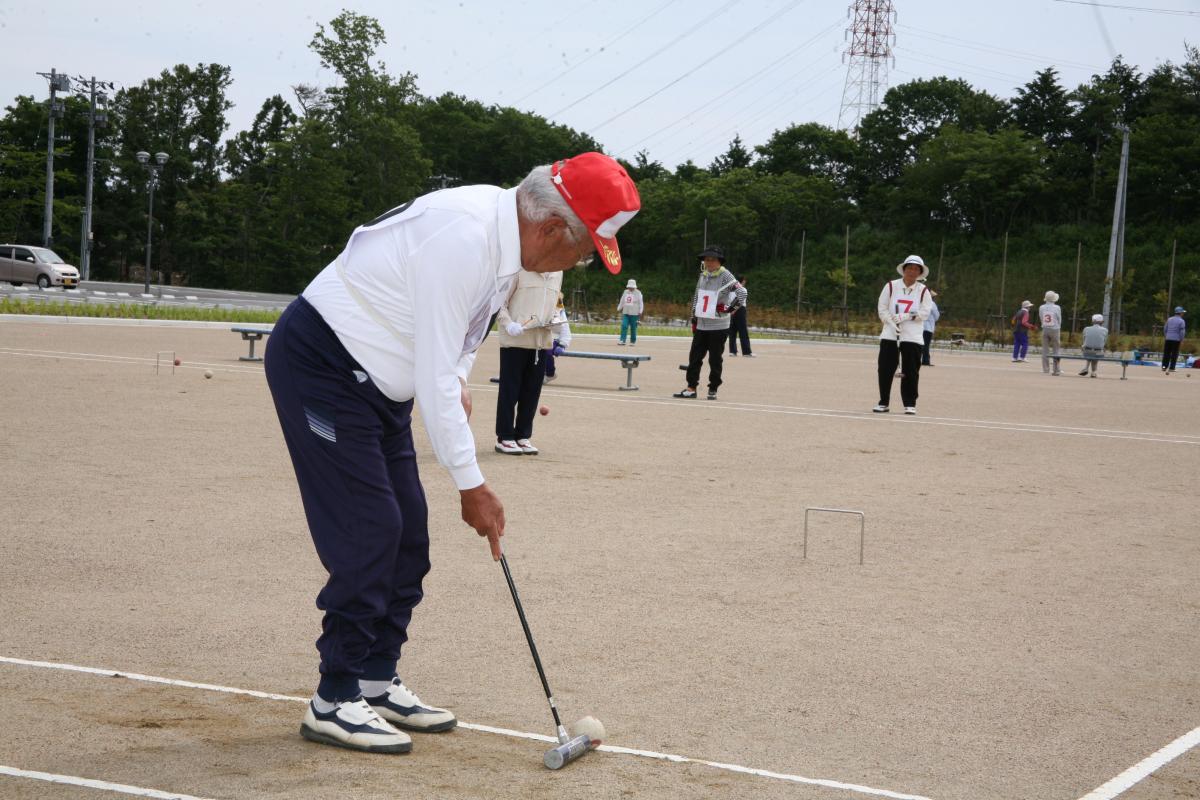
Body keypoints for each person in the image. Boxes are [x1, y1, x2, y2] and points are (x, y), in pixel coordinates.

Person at [263, 152, 640, 755]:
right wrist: (473, 485)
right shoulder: (464, 240)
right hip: (323, 369)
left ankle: (373, 678)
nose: (584, 262)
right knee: (370, 531)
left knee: (408, 533)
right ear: (549, 230)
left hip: (381, 386)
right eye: (585, 250)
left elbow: (461, 342)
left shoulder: (506, 246)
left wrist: (461, 378)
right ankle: (334, 697)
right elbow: (435, 372)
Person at [495, 262, 572, 455]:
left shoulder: (557, 273)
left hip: (541, 342)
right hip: (515, 341)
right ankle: (505, 437)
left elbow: (557, 304)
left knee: (531, 393)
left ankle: (523, 435)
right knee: (509, 392)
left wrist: (561, 328)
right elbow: (498, 304)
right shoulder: (518, 270)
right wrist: (509, 324)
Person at [673, 246, 746, 400]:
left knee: (715, 359)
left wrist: (729, 308)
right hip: (701, 324)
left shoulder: (725, 275)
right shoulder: (703, 275)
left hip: (719, 325)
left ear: (719, 261)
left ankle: (713, 388)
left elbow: (742, 292)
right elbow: (697, 296)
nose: (709, 262)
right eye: (707, 259)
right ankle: (691, 387)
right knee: (694, 357)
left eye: (713, 259)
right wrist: (693, 317)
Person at [874, 254, 934, 415]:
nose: (912, 271)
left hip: (912, 337)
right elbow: (882, 308)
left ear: (920, 272)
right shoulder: (891, 286)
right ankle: (883, 402)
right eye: (909, 268)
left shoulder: (923, 291)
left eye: (916, 269)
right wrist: (890, 322)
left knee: (911, 371)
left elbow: (925, 313)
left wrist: (907, 315)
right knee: (885, 369)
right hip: (890, 334)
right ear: (904, 269)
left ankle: (910, 403)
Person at [543, 294, 571, 383]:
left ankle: (549, 374)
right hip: (539, 336)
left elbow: (565, 328)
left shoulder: (559, 307)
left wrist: (563, 345)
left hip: (554, 338)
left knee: (546, 350)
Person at [728, 275, 754, 357]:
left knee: (732, 331)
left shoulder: (731, 290)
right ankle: (746, 352)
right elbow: (739, 301)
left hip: (731, 310)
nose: (745, 282)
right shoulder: (743, 289)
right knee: (743, 331)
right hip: (740, 310)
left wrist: (731, 310)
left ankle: (732, 351)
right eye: (744, 280)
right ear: (742, 281)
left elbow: (730, 301)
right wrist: (735, 310)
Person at [1039, 290, 1063, 375]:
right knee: (1056, 349)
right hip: (1055, 329)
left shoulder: (1041, 307)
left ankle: (1046, 369)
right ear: (1053, 299)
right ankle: (1056, 369)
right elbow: (1059, 319)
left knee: (1045, 349)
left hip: (1045, 328)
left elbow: (1041, 318)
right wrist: (1058, 326)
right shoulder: (1057, 307)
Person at [617, 278, 643, 345]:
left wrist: (640, 311)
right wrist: (619, 307)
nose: (630, 288)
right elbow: (622, 300)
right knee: (624, 325)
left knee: (633, 328)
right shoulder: (625, 292)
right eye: (629, 287)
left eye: (632, 287)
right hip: (626, 312)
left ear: (634, 286)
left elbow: (641, 303)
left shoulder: (638, 293)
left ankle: (632, 341)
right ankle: (622, 340)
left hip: (635, 313)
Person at [1162, 306, 1187, 374]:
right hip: (1176, 340)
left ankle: (1164, 367)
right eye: (1182, 312)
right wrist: (1181, 339)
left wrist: (1166, 336)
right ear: (1180, 313)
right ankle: (1172, 368)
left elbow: (1165, 329)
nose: (1183, 314)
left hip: (1168, 339)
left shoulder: (1169, 319)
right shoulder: (1182, 321)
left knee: (1166, 353)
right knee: (1174, 354)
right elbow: (1182, 332)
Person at [922, 289, 940, 366]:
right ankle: (926, 361)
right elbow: (937, 316)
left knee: (919, 344)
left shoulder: (921, 303)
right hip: (928, 328)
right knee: (926, 345)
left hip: (920, 327)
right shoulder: (932, 304)